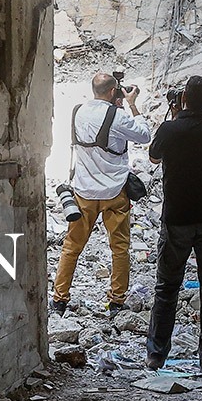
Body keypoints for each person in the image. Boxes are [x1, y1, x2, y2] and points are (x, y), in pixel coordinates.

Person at [145, 76, 202, 373]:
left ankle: (157, 354)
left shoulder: (169, 129)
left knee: (167, 287)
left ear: (183, 99)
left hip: (177, 218)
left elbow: (154, 157)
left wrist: (174, 116)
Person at [51, 72, 151, 317]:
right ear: (113, 91)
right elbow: (144, 136)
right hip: (114, 192)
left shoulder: (77, 111)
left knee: (71, 246)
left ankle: (59, 298)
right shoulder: (118, 116)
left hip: (84, 191)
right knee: (119, 248)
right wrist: (132, 105)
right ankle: (116, 300)